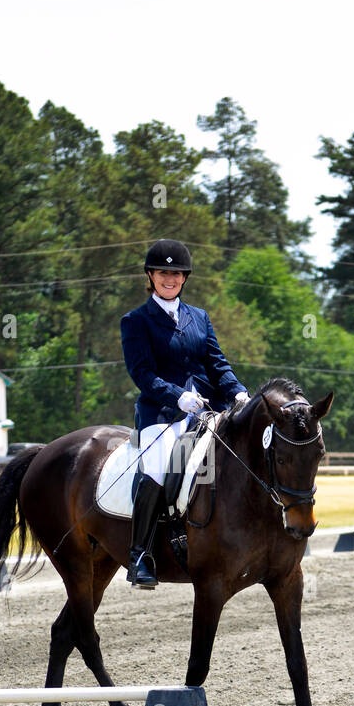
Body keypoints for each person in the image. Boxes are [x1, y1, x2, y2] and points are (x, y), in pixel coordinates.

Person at [120, 238, 250, 588]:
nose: (170, 279)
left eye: (176, 273)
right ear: (151, 275)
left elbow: (217, 364)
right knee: (162, 468)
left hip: (209, 409)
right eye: (163, 272)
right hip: (162, 415)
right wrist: (177, 397)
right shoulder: (136, 321)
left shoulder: (199, 317)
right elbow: (142, 373)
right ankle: (140, 555)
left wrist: (237, 391)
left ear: (184, 278)